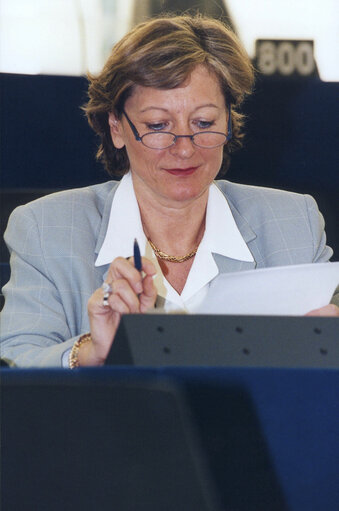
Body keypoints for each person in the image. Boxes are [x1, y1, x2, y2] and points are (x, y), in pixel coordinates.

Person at [1, 14, 338, 368]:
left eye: (204, 123)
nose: (184, 149)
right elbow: (16, 360)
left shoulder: (293, 222)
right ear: (117, 127)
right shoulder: (45, 228)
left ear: (229, 119)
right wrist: (92, 351)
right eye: (158, 125)